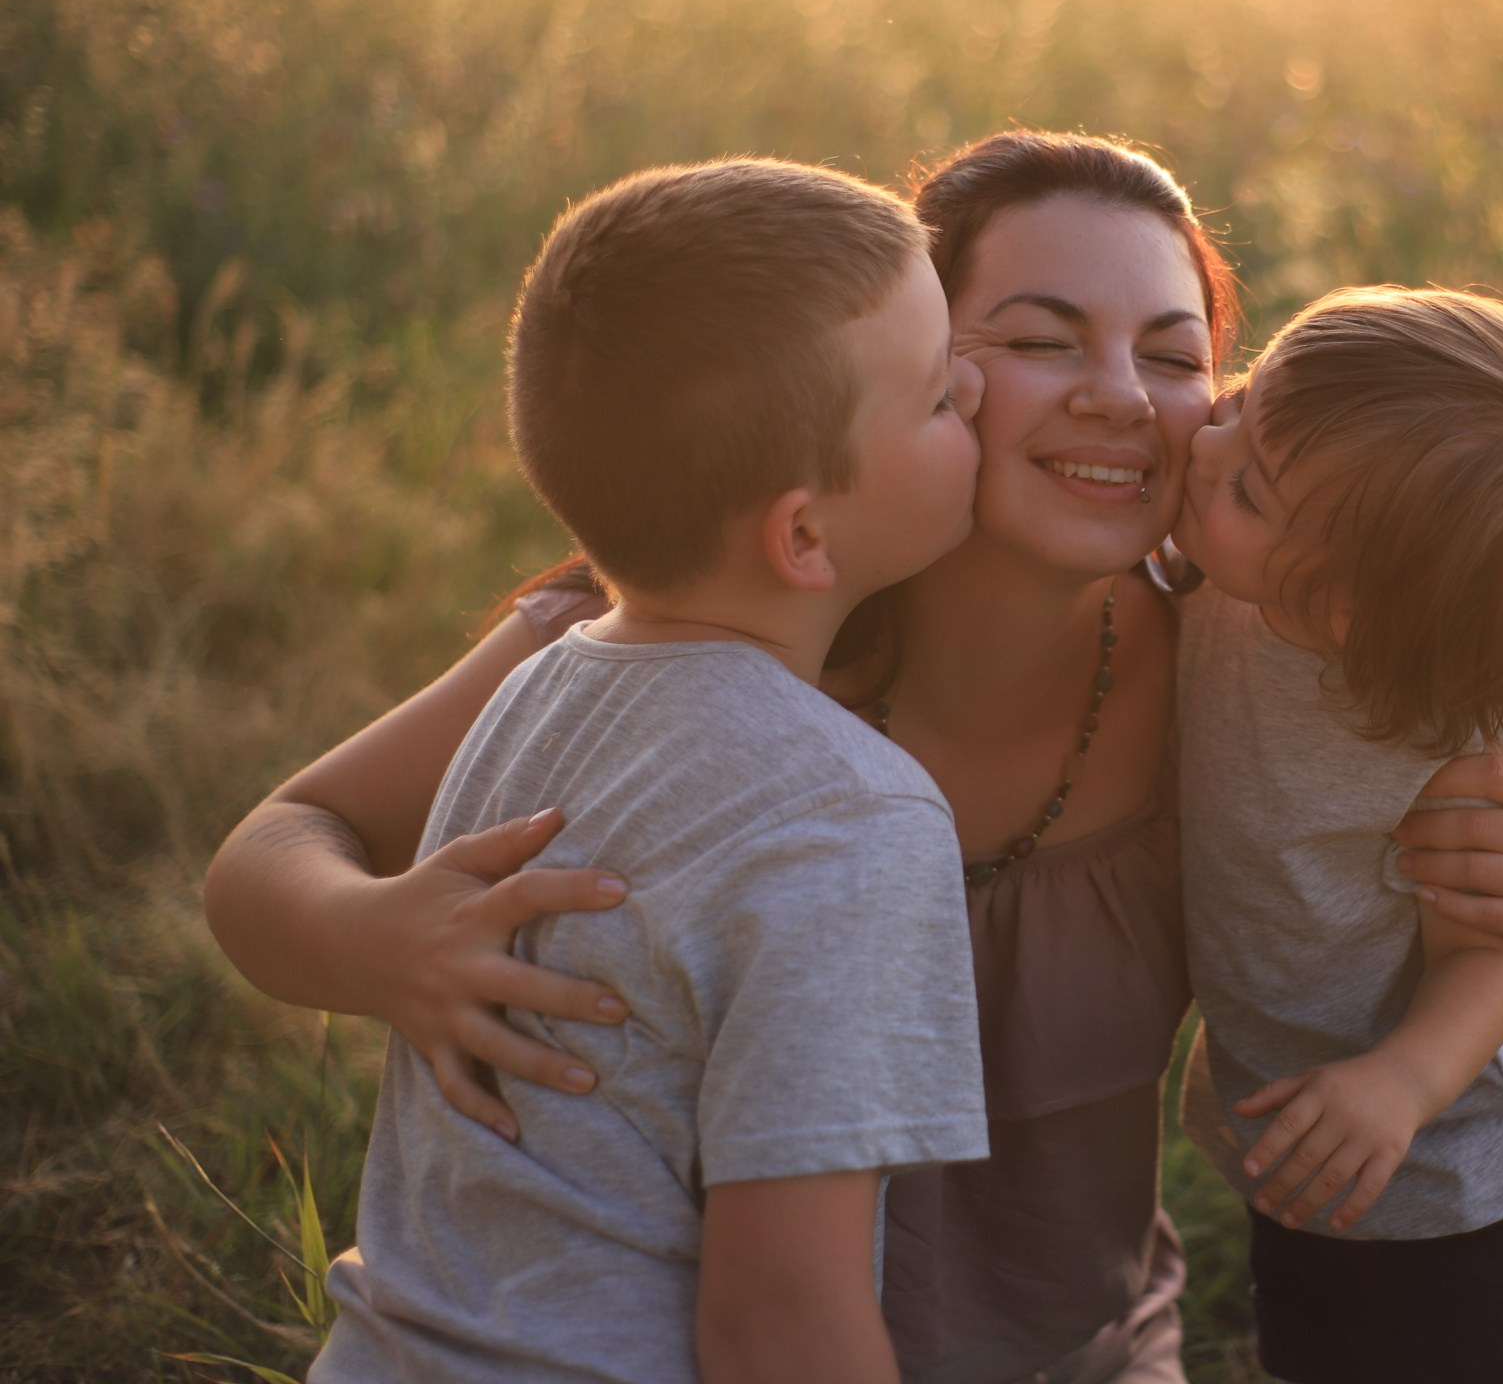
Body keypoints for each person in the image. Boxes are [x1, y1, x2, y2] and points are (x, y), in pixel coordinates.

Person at [206, 131, 1503, 1384]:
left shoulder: (1255, 656)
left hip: (1085, 1350)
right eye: (1043, 339)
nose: (1125, 396)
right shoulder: (672, 639)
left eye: (1178, 357)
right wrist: (377, 940)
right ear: (910, 362)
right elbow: (278, 847)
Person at [311, 159, 994, 1384]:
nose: (982, 393)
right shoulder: (856, 818)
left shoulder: (538, 691)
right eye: (943, 395)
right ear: (802, 535)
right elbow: (781, 1321)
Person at [1171, 288, 1503, 1384]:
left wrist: (1397, 1085)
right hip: (1299, 1151)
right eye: (1241, 398)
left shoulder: (1445, 732)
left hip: (1464, 1187)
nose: (1203, 445)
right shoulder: (1210, 583)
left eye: (1245, 483)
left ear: (1349, 613)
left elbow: (1485, 961)